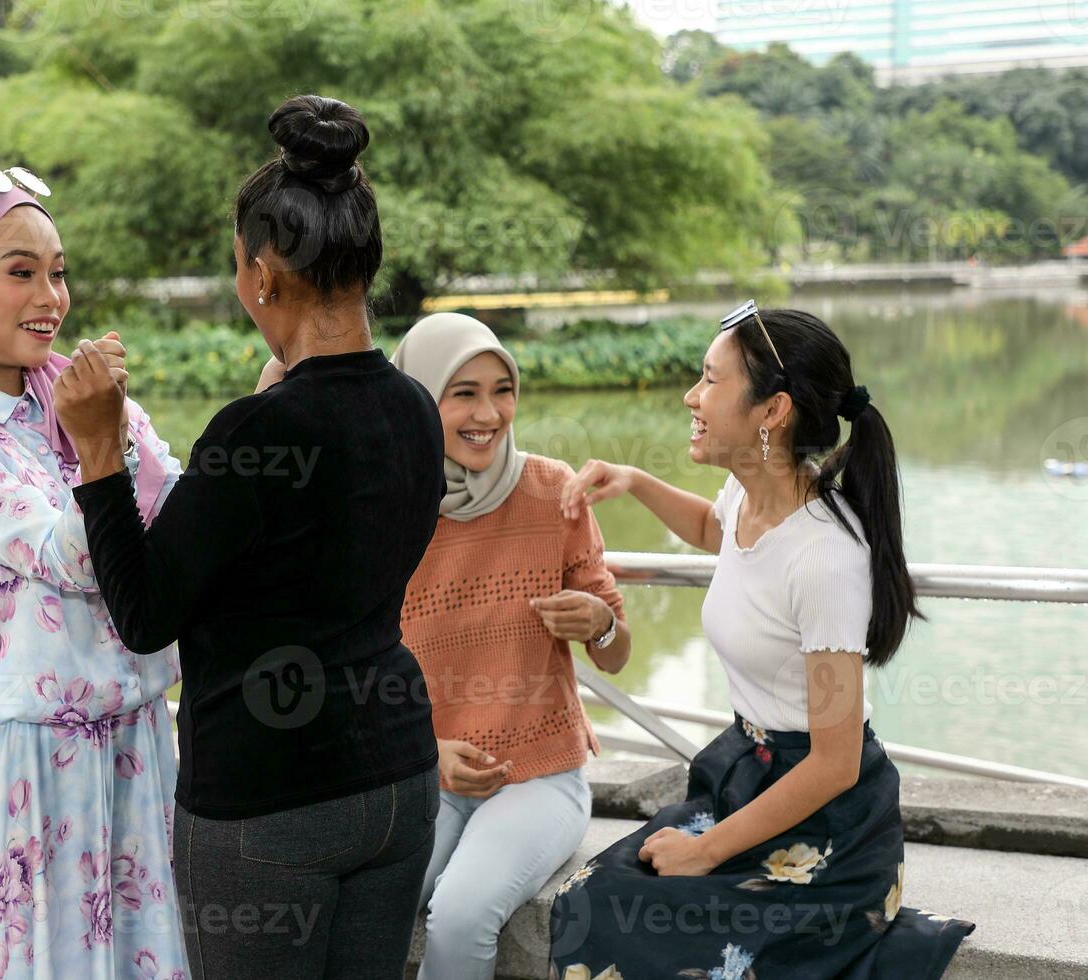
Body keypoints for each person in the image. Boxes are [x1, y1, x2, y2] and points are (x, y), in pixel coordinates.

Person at [55, 94, 446, 979]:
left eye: (240, 266)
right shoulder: (416, 408)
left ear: (264, 275)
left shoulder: (255, 433)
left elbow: (147, 611)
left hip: (270, 804)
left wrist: (96, 451)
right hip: (398, 779)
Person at [548, 304, 975, 979]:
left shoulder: (825, 555)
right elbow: (716, 534)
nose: (691, 397)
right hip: (744, 779)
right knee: (593, 895)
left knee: (641, 928)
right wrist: (634, 481)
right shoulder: (748, 497)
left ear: (771, 412)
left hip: (824, 823)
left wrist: (708, 850)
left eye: (710, 381)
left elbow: (834, 761)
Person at [0, 166, 190, 979]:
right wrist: (97, 441)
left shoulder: (72, 403)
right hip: (20, 765)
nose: (51, 295)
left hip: (134, 744)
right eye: (21, 272)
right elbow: (78, 557)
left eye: (58, 272)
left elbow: (180, 518)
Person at [391, 312, 631, 980]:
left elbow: (616, 652)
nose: (489, 413)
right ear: (418, 395)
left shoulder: (554, 491)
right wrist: (427, 751)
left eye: (503, 389)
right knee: (374, 907)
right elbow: (359, 664)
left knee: (462, 912)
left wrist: (600, 623)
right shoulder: (387, 506)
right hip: (422, 774)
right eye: (463, 392)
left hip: (538, 778)